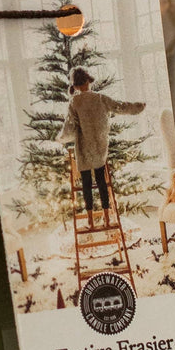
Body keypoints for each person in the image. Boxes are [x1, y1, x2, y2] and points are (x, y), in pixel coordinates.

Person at [57, 68, 145, 230]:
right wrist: (138, 107)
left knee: (86, 184)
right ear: (89, 81)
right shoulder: (100, 98)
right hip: (99, 147)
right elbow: (120, 106)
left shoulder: (74, 102)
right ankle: (106, 216)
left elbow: (69, 126)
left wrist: (60, 138)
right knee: (101, 182)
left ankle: (90, 220)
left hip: (83, 149)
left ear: (75, 86)